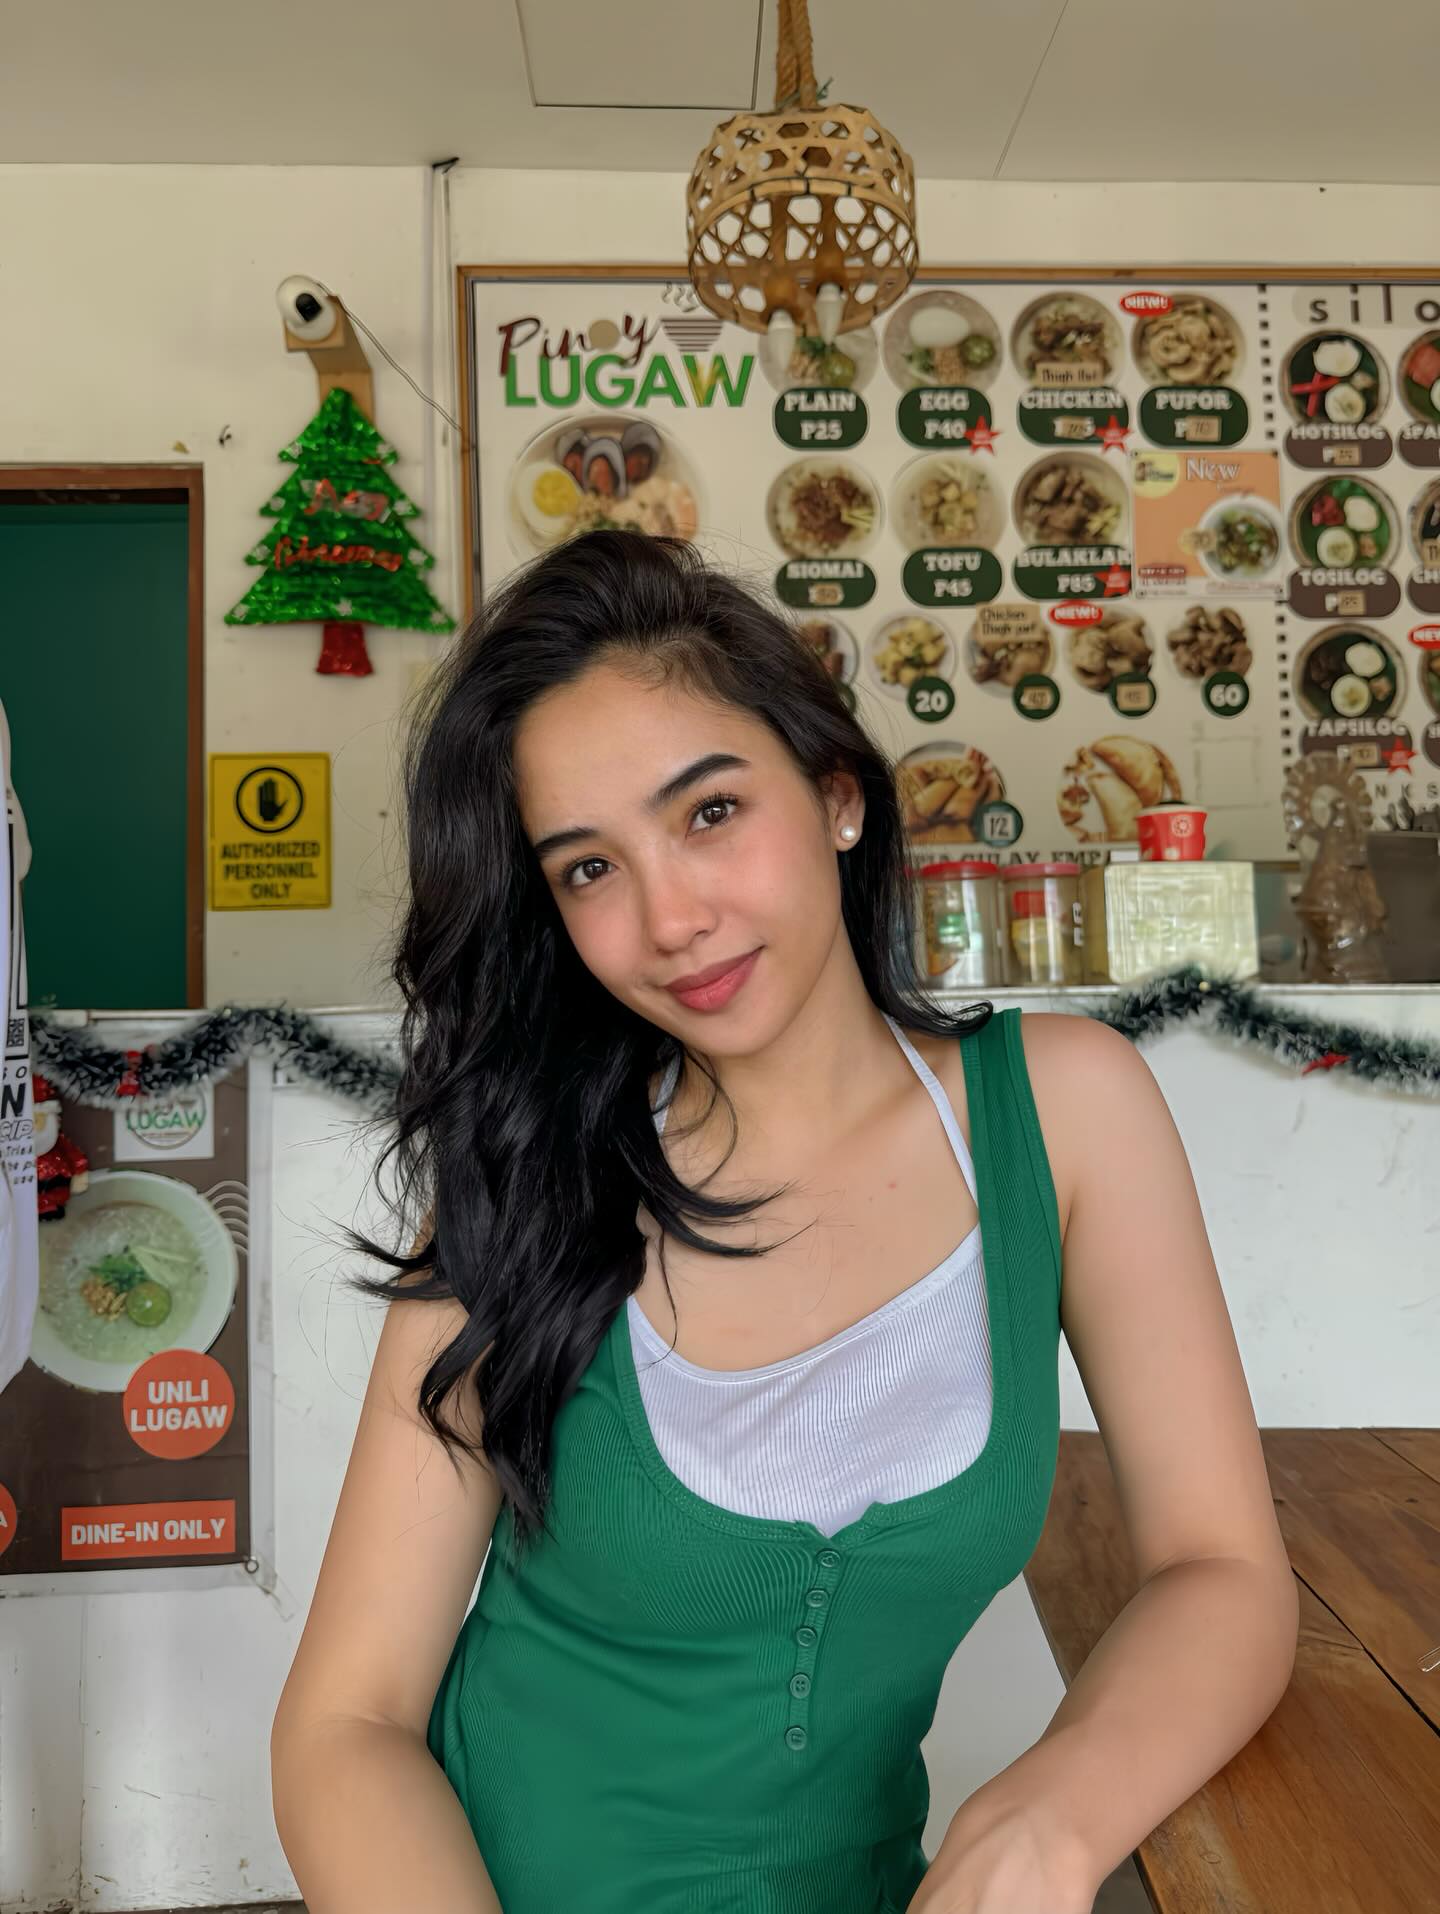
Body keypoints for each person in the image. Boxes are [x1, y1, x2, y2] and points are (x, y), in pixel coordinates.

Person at [270, 532, 1298, 1914]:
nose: (670, 918)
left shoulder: (1063, 1115)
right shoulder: (528, 1177)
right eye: (588, 869)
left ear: (835, 797)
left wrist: (1047, 1816)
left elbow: (1222, 1570)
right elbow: (348, 1723)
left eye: (709, 812)